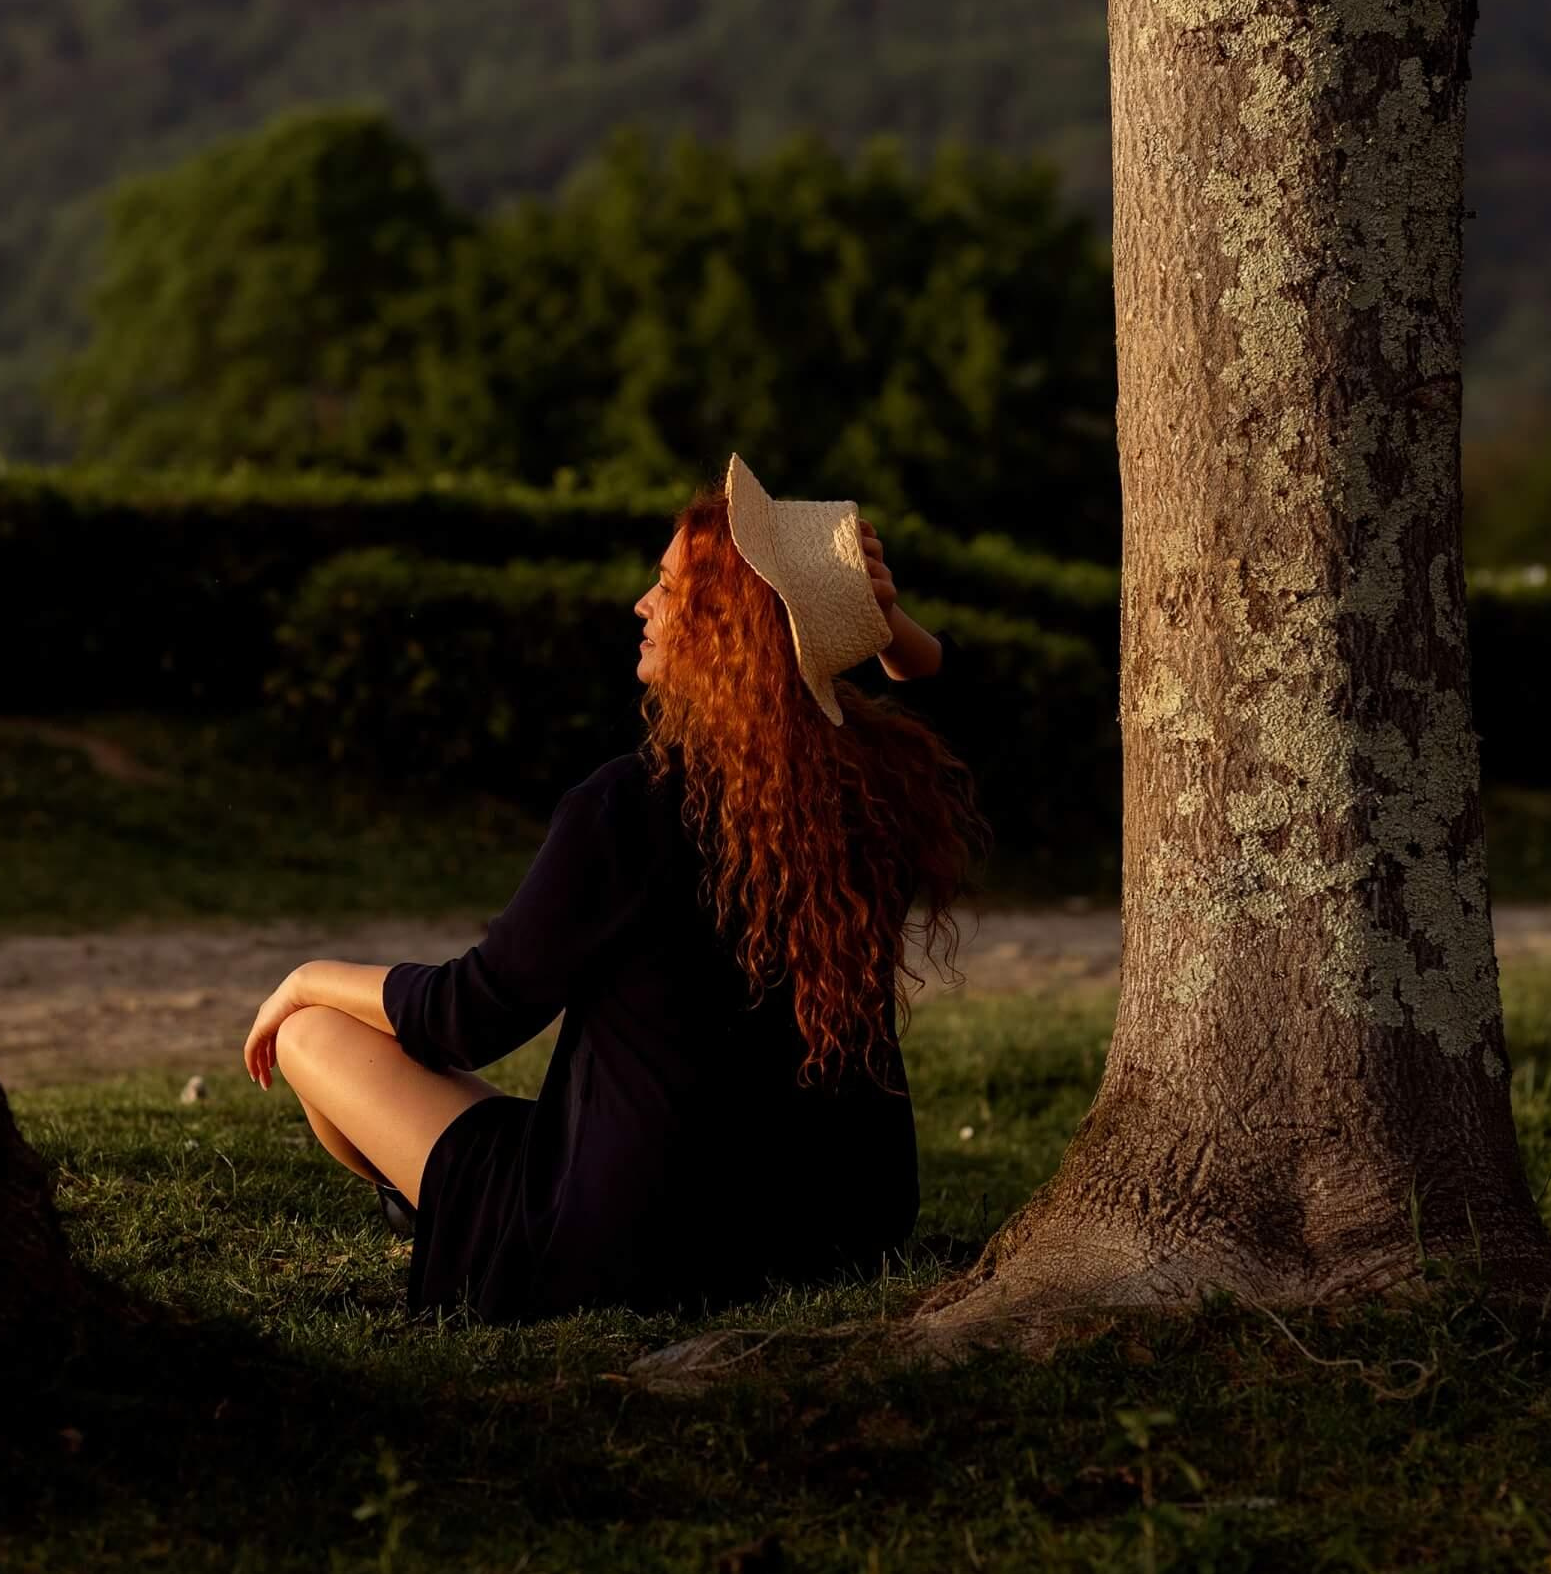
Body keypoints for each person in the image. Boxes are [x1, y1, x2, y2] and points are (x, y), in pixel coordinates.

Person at [242, 452, 991, 1323]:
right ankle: (430, 1204)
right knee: (530, 1119)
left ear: (725, 628)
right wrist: (881, 625)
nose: (644, 605)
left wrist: (306, 976)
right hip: (839, 1223)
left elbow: (470, 1017)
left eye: (668, 588)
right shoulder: (880, 786)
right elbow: (952, 698)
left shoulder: (628, 804)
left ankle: (439, 1213)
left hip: (637, 1242)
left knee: (311, 1034)